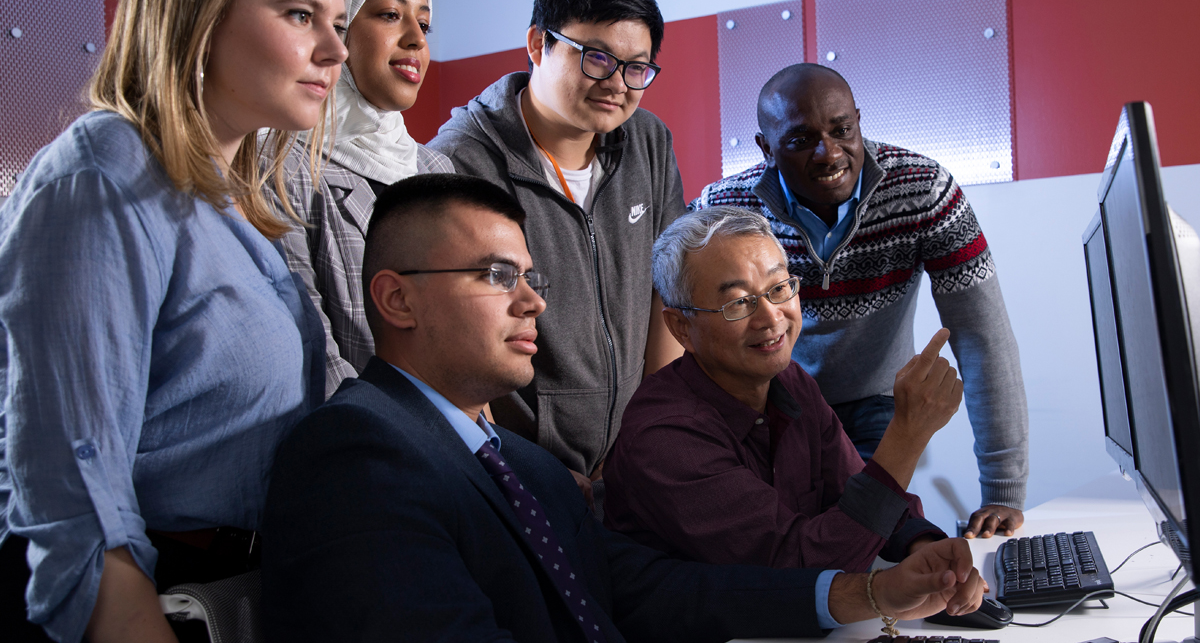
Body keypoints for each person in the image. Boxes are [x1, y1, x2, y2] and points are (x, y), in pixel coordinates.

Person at [261, 173, 987, 642]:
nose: (533, 301)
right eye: (495, 275)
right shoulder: (355, 453)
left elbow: (656, 593)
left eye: (531, 276)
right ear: (396, 298)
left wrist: (871, 590)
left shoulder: (528, 468)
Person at [0, 0, 346, 643]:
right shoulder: (105, 176)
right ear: (200, 11)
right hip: (150, 599)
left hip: (240, 589)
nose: (335, 51)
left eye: (338, 24)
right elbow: (71, 469)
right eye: (299, 15)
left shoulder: (227, 203)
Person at [692, 63, 1029, 539]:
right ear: (766, 149)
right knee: (778, 541)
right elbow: (686, 332)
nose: (829, 153)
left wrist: (1001, 489)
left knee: (867, 534)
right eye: (801, 139)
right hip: (768, 401)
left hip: (875, 400)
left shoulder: (923, 191)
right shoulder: (722, 210)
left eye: (842, 129)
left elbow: (981, 337)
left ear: (858, 121)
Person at [428, 0, 686, 501]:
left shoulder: (648, 143)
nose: (617, 84)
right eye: (597, 58)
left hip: (631, 465)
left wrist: (656, 434)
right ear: (537, 44)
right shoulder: (460, 161)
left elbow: (668, 287)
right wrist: (512, 466)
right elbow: (453, 337)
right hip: (521, 472)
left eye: (636, 67)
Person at [604, 206, 956, 572]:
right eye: (739, 302)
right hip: (711, 629)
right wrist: (908, 434)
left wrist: (922, 545)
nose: (771, 317)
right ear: (680, 328)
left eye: (778, 288)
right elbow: (801, 567)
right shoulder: (665, 436)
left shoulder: (790, 383)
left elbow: (855, 493)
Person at [271, 0, 452, 398]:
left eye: (425, 25)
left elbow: (468, 335)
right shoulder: (281, 163)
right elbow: (312, 350)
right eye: (391, 15)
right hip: (365, 444)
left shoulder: (438, 170)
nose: (415, 39)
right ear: (338, 23)